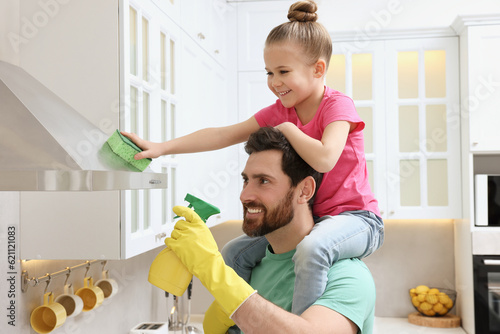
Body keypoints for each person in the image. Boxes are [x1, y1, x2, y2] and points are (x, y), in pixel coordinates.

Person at [123, 0, 383, 316]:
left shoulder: (336, 106)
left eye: (283, 72)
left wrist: (288, 128)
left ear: (318, 69)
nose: (274, 82)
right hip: (314, 220)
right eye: (269, 72)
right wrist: (161, 147)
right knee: (234, 253)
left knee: (314, 249)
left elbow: (327, 158)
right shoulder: (279, 110)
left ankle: (296, 324)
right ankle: (234, 324)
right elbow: (222, 134)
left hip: (356, 219)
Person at [166, 127, 376, 334]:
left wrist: (209, 266)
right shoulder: (247, 266)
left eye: (264, 181)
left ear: (305, 191)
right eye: (246, 180)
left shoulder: (347, 277)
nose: (245, 195)